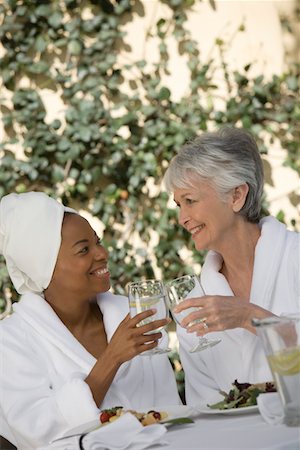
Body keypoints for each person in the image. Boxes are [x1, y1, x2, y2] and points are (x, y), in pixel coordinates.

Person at [0, 192, 181, 449]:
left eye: (98, 242)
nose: (102, 253)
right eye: (84, 249)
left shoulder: (133, 316)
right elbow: (38, 434)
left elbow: (170, 409)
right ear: (45, 268)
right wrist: (111, 359)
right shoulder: (11, 341)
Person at [163, 126, 300, 405]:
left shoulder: (295, 258)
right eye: (179, 204)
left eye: (190, 201)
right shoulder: (195, 302)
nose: (182, 218)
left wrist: (250, 317)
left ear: (236, 196)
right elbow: (206, 404)